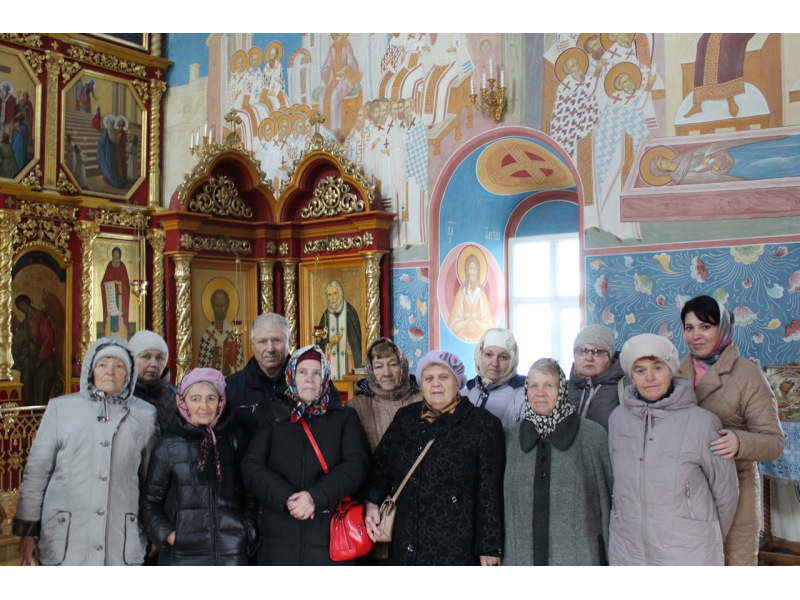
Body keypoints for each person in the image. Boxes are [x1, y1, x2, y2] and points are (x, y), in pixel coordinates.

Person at [12, 337, 158, 565]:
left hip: (120, 538)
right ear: (91, 371)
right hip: (66, 536)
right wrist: (28, 530)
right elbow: (37, 473)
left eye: (118, 366)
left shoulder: (145, 415)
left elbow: (152, 480)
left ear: (129, 375)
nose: (109, 371)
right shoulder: (61, 409)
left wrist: (154, 528)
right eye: (102, 365)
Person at [363, 350, 505, 566]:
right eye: (429, 378)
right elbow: (381, 467)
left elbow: (489, 492)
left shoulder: (483, 425)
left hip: (456, 544)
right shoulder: (405, 418)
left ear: (458, 382)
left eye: (444, 377)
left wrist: (489, 547)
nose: (435, 384)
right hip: (406, 540)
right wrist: (372, 502)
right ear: (421, 384)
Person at [609, 333, 739, 565]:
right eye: (640, 370)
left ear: (671, 370)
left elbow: (725, 492)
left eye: (657, 367)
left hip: (689, 551)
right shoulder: (618, 419)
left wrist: (704, 535)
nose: (649, 377)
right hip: (629, 551)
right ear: (631, 376)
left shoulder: (702, 423)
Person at [677, 295, 784, 565]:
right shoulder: (676, 373)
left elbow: (774, 442)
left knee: (734, 567)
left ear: (722, 328)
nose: (695, 336)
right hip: (688, 490)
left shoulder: (747, 375)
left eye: (705, 327)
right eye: (689, 328)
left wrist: (740, 441)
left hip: (736, 488)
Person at [241, 345, 369, 565]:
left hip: (328, 534)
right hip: (279, 536)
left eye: (316, 373)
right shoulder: (274, 416)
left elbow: (356, 466)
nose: (309, 379)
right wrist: (287, 498)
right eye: (302, 372)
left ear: (325, 378)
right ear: (291, 375)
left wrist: (314, 497)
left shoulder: (344, 417)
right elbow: (251, 466)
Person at [140, 367, 257, 565]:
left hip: (231, 553)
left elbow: (251, 494)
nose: (204, 406)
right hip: (182, 555)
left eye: (211, 398)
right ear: (183, 402)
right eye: (195, 399)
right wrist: (170, 536)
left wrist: (245, 532)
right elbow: (149, 503)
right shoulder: (168, 445)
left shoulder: (235, 439)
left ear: (221, 402)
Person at [504, 358, 612, 565]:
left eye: (549, 386)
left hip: (580, 556)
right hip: (520, 557)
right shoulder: (509, 438)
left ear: (562, 389)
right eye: (534, 385)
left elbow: (607, 503)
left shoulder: (591, 435)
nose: (540, 393)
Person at [348, 337, 422, 452]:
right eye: (378, 367)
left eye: (393, 365)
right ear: (370, 371)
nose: (387, 373)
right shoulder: (356, 407)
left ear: (402, 366)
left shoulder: (423, 399)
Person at [225, 312, 291, 434]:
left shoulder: (307, 383)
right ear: (252, 345)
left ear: (289, 342)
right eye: (262, 342)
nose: (270, 349)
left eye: (276, 340)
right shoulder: (230, 387)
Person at [567, 324, 625, 431]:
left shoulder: (626, 389)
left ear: (610, 356)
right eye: (583, 350)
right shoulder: (561, 389)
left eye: (597, 352)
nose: (589, 358)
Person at [464, 328, 526, 427]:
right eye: (488, 355)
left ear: (512, 361)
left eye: (503, 357)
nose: (495, 363)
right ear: (480, 355)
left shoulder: (525, 396)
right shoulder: (464, 395)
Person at [11, 294, 58, 406]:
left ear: (28, 303)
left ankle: (40, 420)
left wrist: (40, 360)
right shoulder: (25, 323)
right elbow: (20, 340)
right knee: (28, 394)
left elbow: (48, 339)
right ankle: (33, 420)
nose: (22, 308)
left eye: (22, 305)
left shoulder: (40, 317)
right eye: (19, 307)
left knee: (40, 395)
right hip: (30, 363)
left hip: (44, 363)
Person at [129, 329, 176, 432]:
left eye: (159, 358)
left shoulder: (176, 398)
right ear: (132, 360)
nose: (153, 364)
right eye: (146, 357)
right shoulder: (121, 396)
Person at [317, 279, 362, 380]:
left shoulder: (350, 312)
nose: (332, 298)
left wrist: (349, 346)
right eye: (329, 295)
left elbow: (357, 342)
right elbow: (319, 345)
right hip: (330, 370)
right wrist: (330, 344)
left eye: (334, 294)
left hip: (348, 364)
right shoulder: (325, 317)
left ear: (340, 294)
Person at [447, 249, 496, 343]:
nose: (473, 271)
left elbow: (490, 326)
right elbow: (453, 327)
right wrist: (472, 318)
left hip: (480, 339)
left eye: (475, 268)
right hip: (463, 338)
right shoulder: (461, 293)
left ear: (478, 271)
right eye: (470, 268)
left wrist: (471, 319)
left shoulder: (481, 294)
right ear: (467, 271)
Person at [197, 288, 244, 376]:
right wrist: (213, 361)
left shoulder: (233, 334)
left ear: (227, 307)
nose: (219, 310)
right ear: (212, 306)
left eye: (222, 306)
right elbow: (201, 368)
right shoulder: (207, 336)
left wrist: (230, 366)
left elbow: (240, 366)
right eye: (217, 306)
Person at [100, 245, 131, 338]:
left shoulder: (122, 267)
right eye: (114, 254)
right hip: (110, 297)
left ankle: (121, 336)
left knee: (120, 319)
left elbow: (126, 285)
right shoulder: (109, 266)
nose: (116, 255)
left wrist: (119, 284)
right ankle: (109, 336)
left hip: (120, 298)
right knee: (111, 317)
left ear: (120, 255)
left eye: (117, 254)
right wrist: (109, 283)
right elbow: (103, 283)